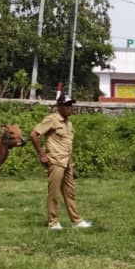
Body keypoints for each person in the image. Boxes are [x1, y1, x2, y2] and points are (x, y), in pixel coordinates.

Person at [29, 94, 92, 230]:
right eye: (67, 105)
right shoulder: (52, 119)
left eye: (71, 105)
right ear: (59, 106)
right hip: (56, 161)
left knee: (70, 193)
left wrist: (72, 164)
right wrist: (42, 155)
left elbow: (67, 145)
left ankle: (76, 221)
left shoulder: (68, 123)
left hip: (67, 163)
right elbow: (33, 135)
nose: (70, 108)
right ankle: (53, 222)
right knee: (54, 193)